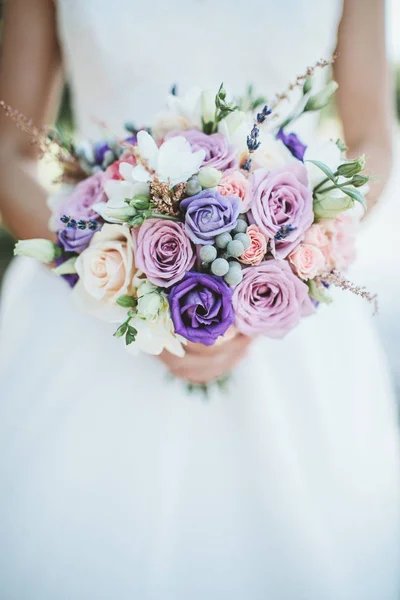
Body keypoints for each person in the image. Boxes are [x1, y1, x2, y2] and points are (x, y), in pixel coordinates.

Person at [0, 1, 399, 598]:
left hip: (290, 319)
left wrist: (289, 257)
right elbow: (7, 151)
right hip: (85, 309)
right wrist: (114, 274)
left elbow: (371, 138)